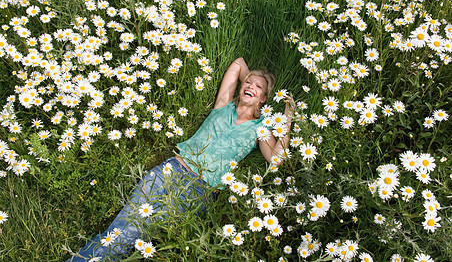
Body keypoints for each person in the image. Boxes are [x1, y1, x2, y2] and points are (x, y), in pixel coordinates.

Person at [67, 57, 294, 261]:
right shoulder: (223, 105)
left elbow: (276, 159)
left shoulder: (260, 129)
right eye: (248, 83)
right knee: (121, 230)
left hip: (198, 191)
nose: (250, 87)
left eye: (258, 88)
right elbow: (238, 63)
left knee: (132, 236)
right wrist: (251, 81)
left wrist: (288, 116)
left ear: (264, 98)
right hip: (172, 169)